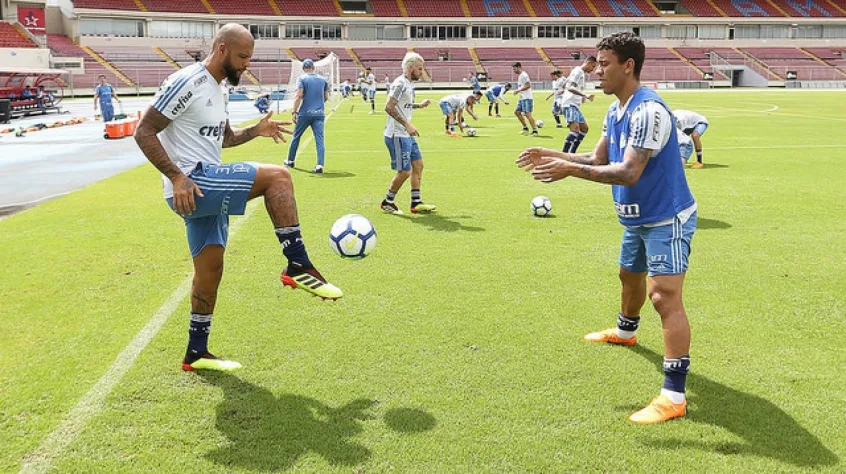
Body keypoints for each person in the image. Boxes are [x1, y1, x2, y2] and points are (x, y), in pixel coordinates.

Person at [134, 24, 342, 373]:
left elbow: (224, 139)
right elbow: (144, 131)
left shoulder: (219, 89)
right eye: (243, 56)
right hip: (192, 183)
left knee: (210, 269)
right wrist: (176, 176)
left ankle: (196, 352)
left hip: (201, 185)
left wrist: (256, 131)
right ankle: (298, 264)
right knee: (279, 176)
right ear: (221, 50)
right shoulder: (187, 81)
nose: (247, 64)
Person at [516, 32, 697, 424]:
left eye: (604, 64)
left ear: (627, 66)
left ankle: (674, 395)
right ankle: (626, 331)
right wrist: (551, 154)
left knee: (664, 297)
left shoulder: (647, 110)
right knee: (628, 275)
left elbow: (629, 171)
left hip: (666, 216)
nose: (596, 71)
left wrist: (569, 171)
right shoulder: (615, 111)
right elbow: (597, 157)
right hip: (638, 216)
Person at [380, 52, 434, 215]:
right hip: (397, 134)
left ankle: (416, 202)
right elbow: (389, 106)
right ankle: (387, 202)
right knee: (405, 171)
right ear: (410, 68)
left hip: (406, 134)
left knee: (418, 165)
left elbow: (403, 105)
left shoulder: (408, 84)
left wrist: (418, 105)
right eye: (419, 68)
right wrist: (407, 124)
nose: (421, 71)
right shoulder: (399, 84)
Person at [284, 59, 330, 174]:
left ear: (304, 68)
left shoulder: (302, 78)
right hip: (319, 113)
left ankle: (290, 160)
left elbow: (299, 95)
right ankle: (319, 165)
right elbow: (326, 97)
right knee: (319, 139)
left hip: (305, 113)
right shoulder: (323, 79)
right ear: (313, 67)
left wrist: (294, 112)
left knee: (296, 136)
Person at [559, 56, 597, 153]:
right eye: (593, 66)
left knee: (584, 129)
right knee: (575, 130)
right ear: (588, 62)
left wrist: (581, 97)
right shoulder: (578, 71)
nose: (593, 70)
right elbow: (570, 87)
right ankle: (564, 155)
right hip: (569, 103)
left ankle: (572, 153)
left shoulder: (580, 73)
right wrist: (585, 95)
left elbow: (565, 84)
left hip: (574, 104)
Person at [511, 62, 538, 136]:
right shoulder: (520, 76)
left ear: (519, 67)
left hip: (527, 97)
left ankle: (535, 131)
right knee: (517, 112)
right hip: (522, 97)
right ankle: (525, 128)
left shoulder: (524, 75)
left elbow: (528, 85)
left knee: (528, 114)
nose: (514, 71)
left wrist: (518, 90)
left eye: (514, 69)